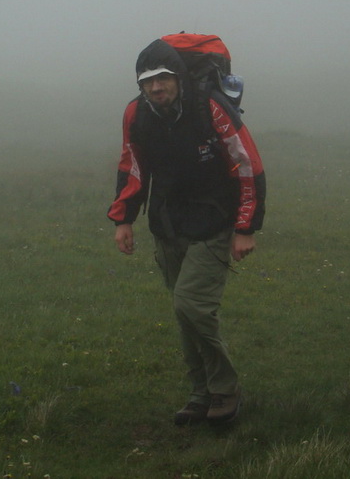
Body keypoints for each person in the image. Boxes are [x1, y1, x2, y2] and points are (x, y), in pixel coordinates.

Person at [108, 37, 266, 425]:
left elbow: (247, 165)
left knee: (191, 305)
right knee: (186, 313)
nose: (156, 87)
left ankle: (225, 392)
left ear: (177, 77)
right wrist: (124, 218)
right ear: (140, 85)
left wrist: (245, 228)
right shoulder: (137, 114)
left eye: (162, 78)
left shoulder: (209, 106)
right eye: (147, 81)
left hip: (213, 222)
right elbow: (134, 167)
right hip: (167, 224)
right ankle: (201, 394)